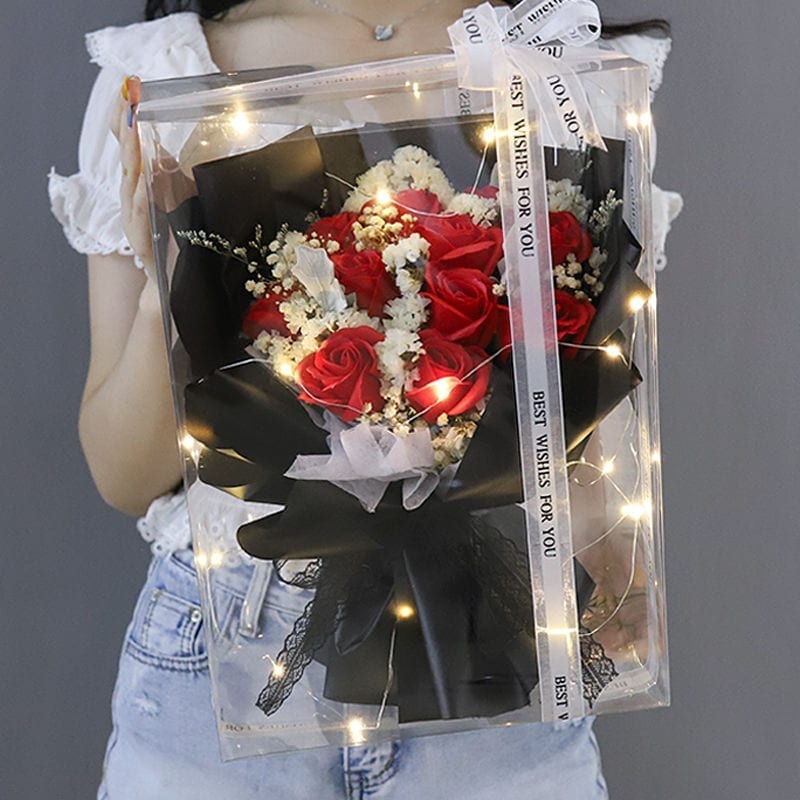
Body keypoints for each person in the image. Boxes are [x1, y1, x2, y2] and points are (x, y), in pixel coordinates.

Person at [49, 2, 681, 798]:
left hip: (495, 655)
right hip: (231, 653)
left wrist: (614, 560)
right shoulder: (168, 74)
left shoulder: (551, 58)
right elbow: (125, 475)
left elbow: (591, 406)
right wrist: (163, 287)